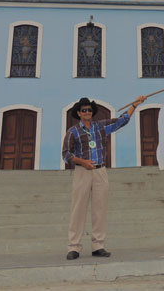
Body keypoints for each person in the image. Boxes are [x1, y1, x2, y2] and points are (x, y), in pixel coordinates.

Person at [62, 95, 146, 260]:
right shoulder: (73, 132)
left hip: (100, 172)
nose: (87, 112)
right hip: (82, 172)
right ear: (78, 113)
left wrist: (135, 104)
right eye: (84, 110)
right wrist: (82, 162)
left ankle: (98, 246)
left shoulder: (100, 127)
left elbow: (121, 121)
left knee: (99, 209)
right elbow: (66, 154)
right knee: (78, 209)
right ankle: (74, 247)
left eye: (89, 110)